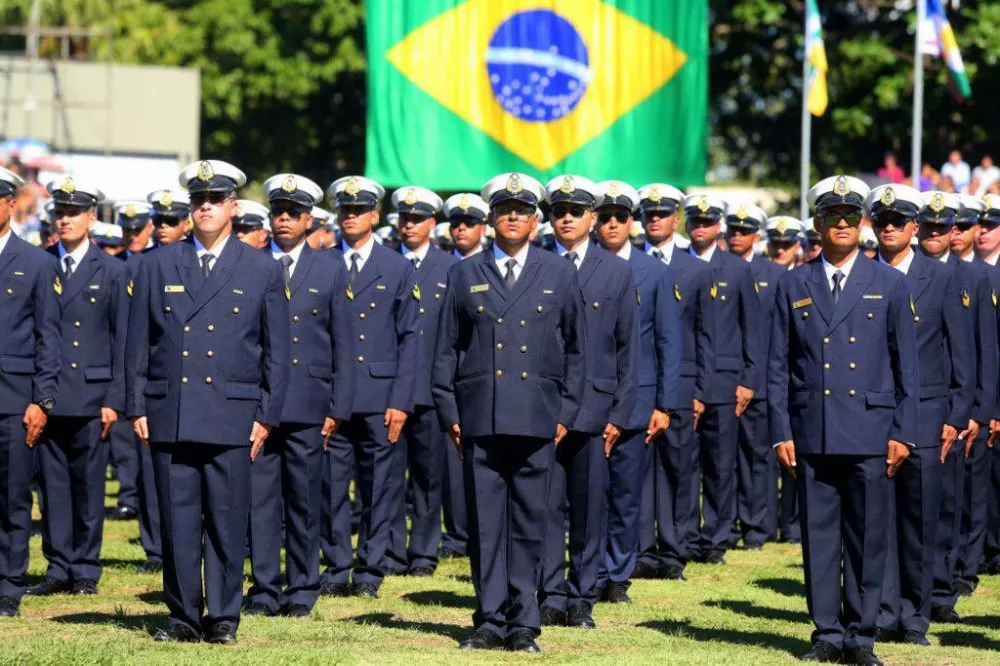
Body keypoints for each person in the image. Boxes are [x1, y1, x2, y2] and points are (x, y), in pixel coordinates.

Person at [126, 159, 290, 644]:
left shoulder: (260, 266)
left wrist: (266, 416)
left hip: (233, 412)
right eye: (198, 201)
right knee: (176, 521)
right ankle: (181, 616)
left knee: (226, 517)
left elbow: (277, 352)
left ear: (233, 206)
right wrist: (137, 405)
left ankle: (222, 615)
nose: (205, 207)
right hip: (170, 409)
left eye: (215, 200)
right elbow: (137, 344)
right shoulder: (157, 263)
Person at [433, 172, 585, 653]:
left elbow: (579, 350)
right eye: (504, 209)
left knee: (529, 520)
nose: (513, 216)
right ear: (491, 218)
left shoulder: (558, 272)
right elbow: (445, 350)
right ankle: (488, 618)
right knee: (483, 523)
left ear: (535, 218)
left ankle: (524, 623)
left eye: (521, 209)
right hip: (480, 416)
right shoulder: (464, 274)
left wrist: (565, 412)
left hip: (537, 416)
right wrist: (449, 411)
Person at [770, 175, 918, 666]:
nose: (842, 224)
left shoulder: (890, 283)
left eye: (851, 217)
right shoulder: (793, 282)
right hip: (813, 429)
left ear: (864, 224)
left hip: (871, 430)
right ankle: (826, 632)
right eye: (832, 216)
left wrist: (904, 432)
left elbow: (907, 368)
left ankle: (862, 635)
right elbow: (777, 365)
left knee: (867, 536)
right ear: (817, 223)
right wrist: (780, 432)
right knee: (819, 537)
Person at [867, 185, 974, 646]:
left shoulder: (942, 276)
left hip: (930, 415)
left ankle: (915, 615)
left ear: (914, 228)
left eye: (898, 221)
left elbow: (962, 350)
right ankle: (882, 612)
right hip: (873, 412)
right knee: (877, 518)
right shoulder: (862, 275)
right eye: (882, 221)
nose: (889, 227)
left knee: (921, 517)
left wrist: (958, 411)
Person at [245, 173, 354, 618]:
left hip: (310, 404)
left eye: (293, 213)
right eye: (277, 212)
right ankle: (266, 586)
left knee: (306, 498)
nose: (284, 220)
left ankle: (304, 586)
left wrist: (338, 407)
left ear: (309, 220)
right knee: (260, 500)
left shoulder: (330, 267)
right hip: (259, 404)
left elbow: (345, 344)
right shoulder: (251, 264)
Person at [536, 176, 637, 630]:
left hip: (594, 409)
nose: (567, 218)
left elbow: (627, 349)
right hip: (540, 405)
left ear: (592, 217)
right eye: (559, 211)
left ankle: (582, 595)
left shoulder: (616, 271)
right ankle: (550, 592)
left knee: (589, 507)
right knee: (544, 506)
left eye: (576, 211)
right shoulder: (535, 263)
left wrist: (619, 413)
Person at [318, 175, 419, 599]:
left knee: (380, 487)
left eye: (359, 210)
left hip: (380, 397)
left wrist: (400, 399)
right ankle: (337, 565)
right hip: (330, 397)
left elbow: (410, 336)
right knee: (330, 486)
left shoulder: (397, 266)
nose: (350, 216)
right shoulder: (320, 262)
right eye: (344, 210)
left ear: (375, 216)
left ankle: (370, 570)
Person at [27, 177, 125, 599]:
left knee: (88, 485)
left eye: (72, 213)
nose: (64, 220)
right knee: (51, 486)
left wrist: (115, 400)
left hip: (91, 394)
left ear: (91, 217)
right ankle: (58, 563)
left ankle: (85, 566)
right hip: (47, 395)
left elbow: (125, 341)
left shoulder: (114, 271)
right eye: (59, 213)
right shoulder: (39, 263)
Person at [592, 180, 680, 603]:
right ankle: (585, 569)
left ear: (633, 222)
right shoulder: (575, 265)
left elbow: (668, 341)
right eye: (605, 217)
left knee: (626, 494)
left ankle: (616, 576)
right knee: (586, 491)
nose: (612, 224)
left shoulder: (655, 272)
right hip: (586, 397)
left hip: (639, 399)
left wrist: (665, 403)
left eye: (620, 217)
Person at [918, 192, 997, 623]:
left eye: (941, 226)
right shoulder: (902, 273)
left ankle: (944, 589)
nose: (933, 233)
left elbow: (984, 350)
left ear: (954, 230)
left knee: (951, 503)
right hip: (917, 407)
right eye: (926, 226)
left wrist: (979, 410)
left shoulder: (977, 278)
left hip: (957, 408)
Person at [635, 183, 715, 580]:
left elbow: (706, 336)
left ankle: (673, 550)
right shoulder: (627, 264)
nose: (654, 220)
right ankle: (639, 549)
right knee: (637, 469)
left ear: (675, 220)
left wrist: (700, 390)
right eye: (648, 215)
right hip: (637, 384)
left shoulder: (697, 270)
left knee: (677, 470)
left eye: (662, 214)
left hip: (680, 385)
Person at [684, 193, 763, 565]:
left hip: (726, 384)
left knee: (719, 465)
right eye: (695, 222)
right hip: (683, 382)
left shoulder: (737, 269)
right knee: (684, 464)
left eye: (707, 222)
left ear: (718, 227)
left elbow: (753, 328)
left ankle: (716, 536)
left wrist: (749, 378)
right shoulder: (677, 265)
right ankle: (683, 535)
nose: (700, 227)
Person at [383, 185, 455, 577]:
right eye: (404, 218)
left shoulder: (450, 268)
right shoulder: (386, 263)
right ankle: (392, 552)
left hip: (430, 389)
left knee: (428, 477)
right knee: (390, 477)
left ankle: (424, 552)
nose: (409, 225)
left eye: (417, 219)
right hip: (391, 389)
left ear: (432, 223)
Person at [0, 166, 61, 618]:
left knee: (13, 494)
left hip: (13, 397)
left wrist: (42, 400)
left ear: (10, 204)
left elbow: (48, 338)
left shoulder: (37, 263)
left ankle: (8, 583)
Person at [726, 202, 784, 550]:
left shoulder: (773, 274)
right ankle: (726, 526)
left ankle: (755, 528)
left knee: (755, 460)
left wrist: (756, 380)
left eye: (744, 231)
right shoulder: (715, 269)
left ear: (757, 236)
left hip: (758, 383)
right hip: (721, 380)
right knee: (721, 462)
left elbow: (772, 335)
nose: (737, 235)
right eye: (733, 229)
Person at [437, 192, 490, 560]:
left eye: (469, 223)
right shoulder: (451, 270)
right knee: (452, 475)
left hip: (490, 390)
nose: (461, 229)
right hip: (456, 389)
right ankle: (456, 535)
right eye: (456, 223)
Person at [763, 216, 805, 543]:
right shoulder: (763, 277)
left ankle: (793, 524)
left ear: (797, 246)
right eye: (775, 244)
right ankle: (779, 523)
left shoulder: (807, 279)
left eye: (786, 244)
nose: (780, 249)